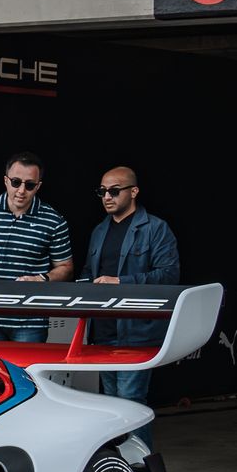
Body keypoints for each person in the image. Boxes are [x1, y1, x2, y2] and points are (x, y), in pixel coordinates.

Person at [79, 166, 182, 431]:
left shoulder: (156, 228)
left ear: (134, 191)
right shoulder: (99, 231)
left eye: (114, 191)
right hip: (102, 332)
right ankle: (119, 458)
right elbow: (89, 273)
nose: (107, 197)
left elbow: (169, 275)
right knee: (111, 406)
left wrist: (121, 282)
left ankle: (140, 458)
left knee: (130, 402)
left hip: (135, 334)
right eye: (102, 191)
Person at [0, 153, 72, 342]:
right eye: (16, 182)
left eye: (30, 185)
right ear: (5, 180)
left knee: (27, 364)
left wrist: (41, 279)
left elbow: (66, 267)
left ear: (38, 186)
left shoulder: (54, 221)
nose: (21, 190)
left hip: (32, 320)